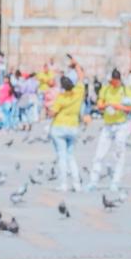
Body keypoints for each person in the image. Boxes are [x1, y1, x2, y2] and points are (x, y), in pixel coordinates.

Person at [88, 69, 131, 192]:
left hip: (121, 124)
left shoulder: (126, 90)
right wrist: (104, 105)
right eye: (110, 81)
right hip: (108, 124)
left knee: (119, 154)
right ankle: (93, 181)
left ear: (119, 80)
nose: (112, 84)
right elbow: (100, 103)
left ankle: (115, 181)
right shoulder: (106, 88)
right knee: (99, 153)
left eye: (114, 82)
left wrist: (117, 106)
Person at [47, 57, 85, 193]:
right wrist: (76, 64)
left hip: (59, 128)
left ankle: (63, 184)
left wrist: (48, 109)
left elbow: (52, 113)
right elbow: (81, 76)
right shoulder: (79, 92)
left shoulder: (61, 98)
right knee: (71, 156)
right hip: (73, 127)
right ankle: (76, 184)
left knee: (62, 157)